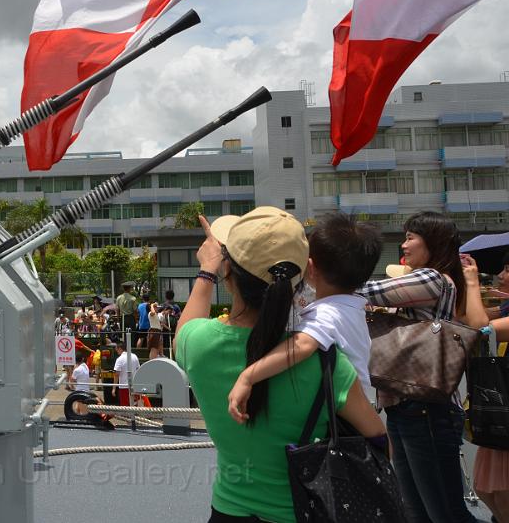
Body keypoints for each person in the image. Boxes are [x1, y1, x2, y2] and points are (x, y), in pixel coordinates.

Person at [174, 207, 386, 523]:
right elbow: (378, 439)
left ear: (228, 272)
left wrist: (207, 270)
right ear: (305, 276)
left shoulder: (198, 343)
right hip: (304, 511)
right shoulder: (326, 361)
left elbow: (184, 330)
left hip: (228, 511)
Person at [356, 211, 486, 523]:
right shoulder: (430, 281)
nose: (404, 245)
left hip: (427, 409)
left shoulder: (432, 279)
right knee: (418, 513)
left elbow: (366, 292)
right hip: (407, 407)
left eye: (411, 237)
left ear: (434, 242)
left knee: (446, 514)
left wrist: (328, 278)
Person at [226, 213, 382, 423]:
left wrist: (248, 377)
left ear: (310, 267)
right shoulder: (351, 308)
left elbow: (301, 346)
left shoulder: (326, 314)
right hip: (362, 404)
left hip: (344, 414)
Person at [476, 250, 509, 521]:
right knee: (489, 491)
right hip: (502, 407)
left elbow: (481, 326)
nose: (500, 276)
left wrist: (472, 284)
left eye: (508, 269)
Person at [112, 340, 139, 406]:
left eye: (116, 348)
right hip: (134, 386)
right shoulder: (135, 356)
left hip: (124, 387)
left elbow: (116, 375)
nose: (116, 350)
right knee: (135, 405)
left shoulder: (119, 359)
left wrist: (114, 388)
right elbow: (138, 370)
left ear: (120, 348)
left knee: (125, 407)